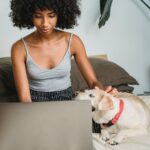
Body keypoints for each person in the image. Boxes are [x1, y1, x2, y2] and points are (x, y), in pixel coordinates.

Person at [9, 0, 117, 132]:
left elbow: (93, 81)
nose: (45, 23)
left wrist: (103, 93)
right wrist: (34, 120)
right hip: (35, 103)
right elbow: (25, 98)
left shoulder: (73, 41)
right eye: (38, 16)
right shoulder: (19, 48)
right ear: (28, 15)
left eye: (51, 15)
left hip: (66, 100)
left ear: (60, 13)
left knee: (102, 125)